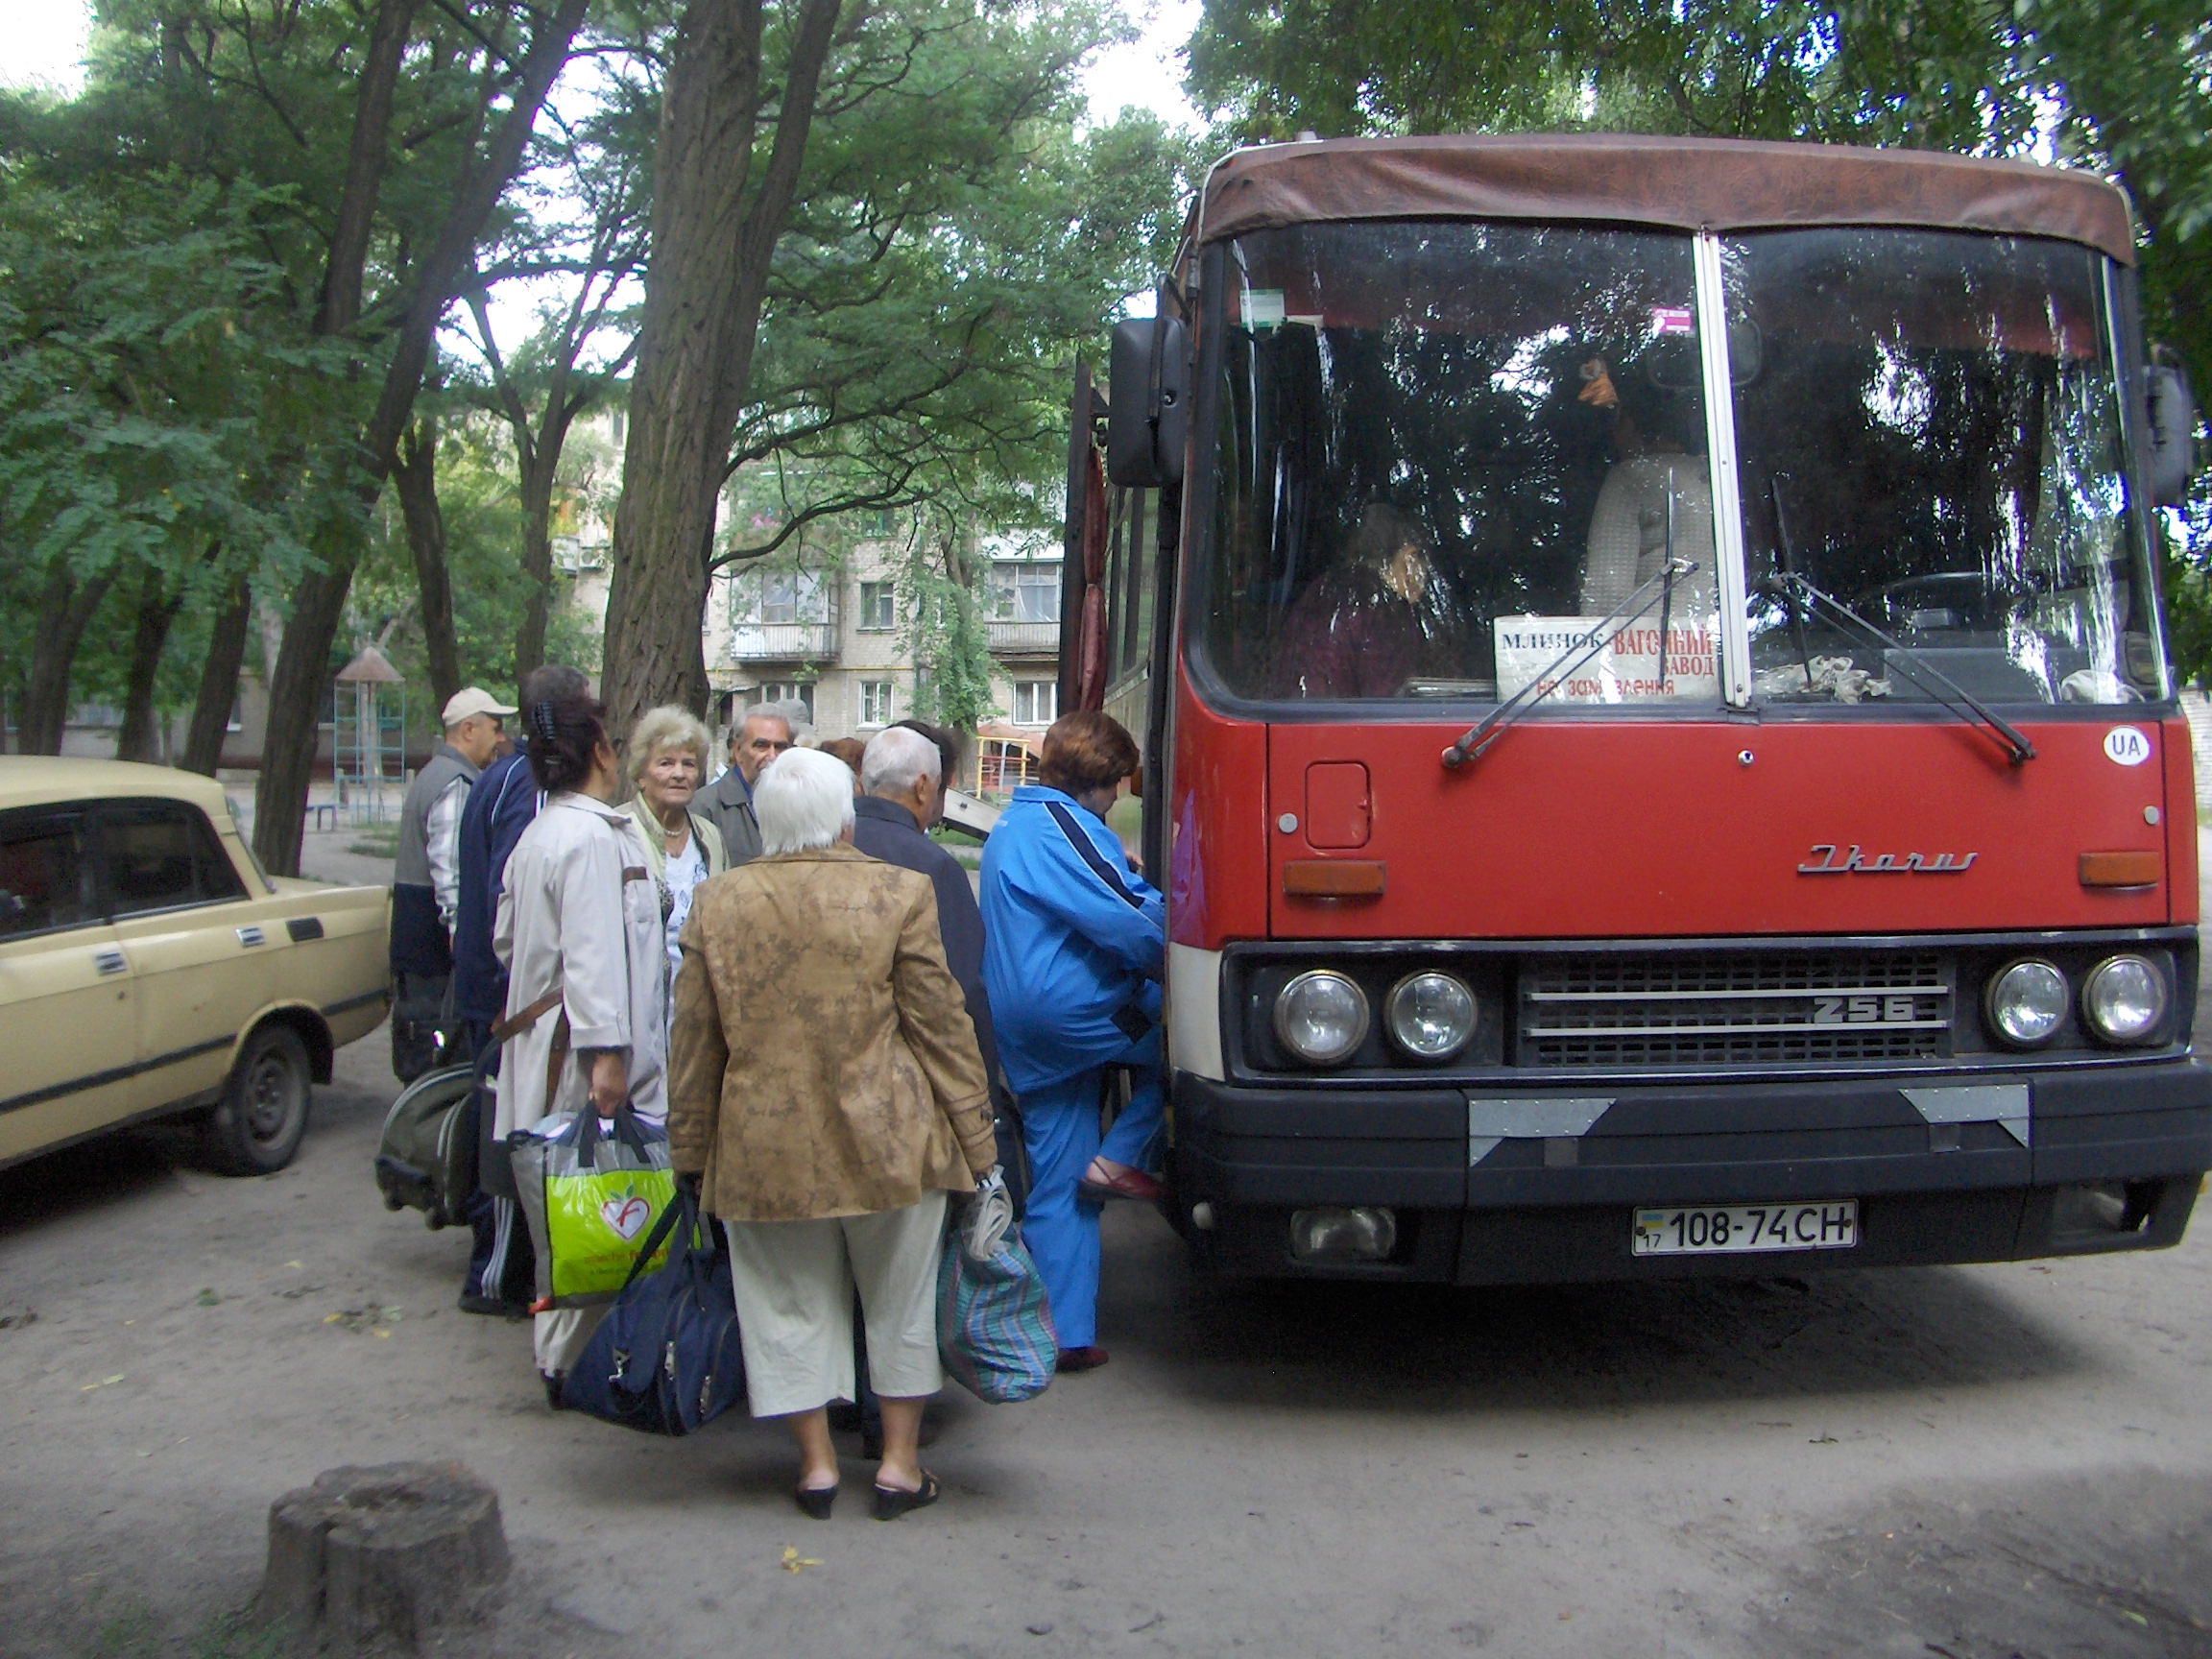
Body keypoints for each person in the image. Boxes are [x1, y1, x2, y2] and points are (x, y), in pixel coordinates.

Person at [667, 748, 995, 1521]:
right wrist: (979, 1142)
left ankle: (816, 1469)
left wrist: (690, 1149)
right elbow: (940, 1025)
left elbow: (694, 1042)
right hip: (892, 1139)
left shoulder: (718, 903)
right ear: (844, 817)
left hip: (762, 1146)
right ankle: (899, 1466)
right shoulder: (900, 891)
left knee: (785, 1305)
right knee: (899, 1302)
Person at [493, 689, 668, 1396]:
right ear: (600, 750)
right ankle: (568, 1365)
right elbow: (595, 956)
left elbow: (506, 939)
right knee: (588, 1207)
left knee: (564, 1210)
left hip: (547, 1048)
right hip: (583, 1059)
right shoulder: (596, 836)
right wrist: (606, 1062)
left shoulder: (540, 832)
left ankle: (568, 1356)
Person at [978, 710, 1164, 1373]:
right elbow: (1132, 921)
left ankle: (1061, 1335)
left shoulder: (1015, 823)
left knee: (1060, 1178)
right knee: (1190, 1038)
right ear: (1099, 776)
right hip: (1076, 1013)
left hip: (1025, 1028)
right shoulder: (1065, 825)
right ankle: (1123, 1156)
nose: (1119, 796)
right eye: (1118, 782)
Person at [453, 663, 589, 1317]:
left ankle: (501, 1268)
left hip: (495, 993)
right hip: (512, 1002)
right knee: (513, 1138)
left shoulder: (498, 775)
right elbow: (511, 896)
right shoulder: (529, 787)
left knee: (506, 1127)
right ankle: (496, 1277)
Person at [389, 687, 513, 1080]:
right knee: (441, 1064)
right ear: (469, 729)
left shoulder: (433, 774)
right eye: (495, 728)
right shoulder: (456, 783)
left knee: (422, 1052)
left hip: (417, 945)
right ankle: (429, 1136)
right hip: (436, 955)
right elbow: (451, 877)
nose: (500, 738)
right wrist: (467, 948)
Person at [1576, 353, 1718, 617]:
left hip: (1650, 647)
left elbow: (1606, 596)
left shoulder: (1631, 479)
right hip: (1718, 644)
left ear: (1632, 420)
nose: (1614, 435)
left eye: (1616, 419)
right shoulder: (1719, 479)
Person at [1270, 505, 1455, 699]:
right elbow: (1387, 703)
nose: (1425, 581)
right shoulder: (1385, 612)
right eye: (1425, 565)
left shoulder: (1323, 589)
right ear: (1409, 558)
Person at [616, 706, 728, 998]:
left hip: (695, 998)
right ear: (641, 774)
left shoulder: (710, 836)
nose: (679, 774)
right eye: (666, 763)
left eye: (689, 764)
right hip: (635, 996)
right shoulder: (618, 832)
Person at [693, 708, 792, 866]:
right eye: (761, 746)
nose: (772, 756)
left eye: (780, 747)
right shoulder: (704, 807)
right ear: (737, 750)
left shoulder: (799, 806)